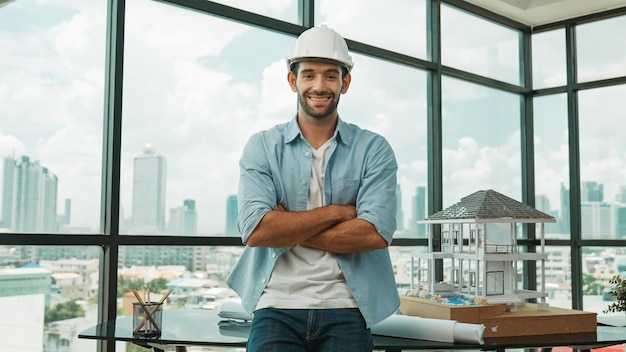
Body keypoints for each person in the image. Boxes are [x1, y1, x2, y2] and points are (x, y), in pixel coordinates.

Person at [226, 24, 399, 352]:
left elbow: (374, 234)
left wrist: (288, 224)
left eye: (330, 76)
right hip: (276, 305)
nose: (319, 86)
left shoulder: (373, 150)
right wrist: (338, 213)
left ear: (345, 83)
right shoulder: (262, 147)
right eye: (309, 75)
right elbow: (256, 230)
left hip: (347, 305)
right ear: (293, 81)